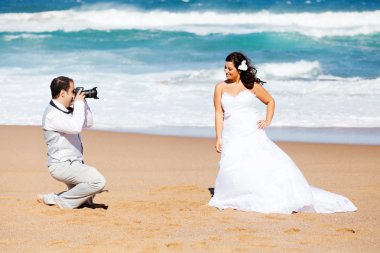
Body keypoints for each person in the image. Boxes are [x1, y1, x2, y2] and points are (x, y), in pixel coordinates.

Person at [208, 52, 357, 214]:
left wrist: (267, 120)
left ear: (239, 69)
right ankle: (236, 194)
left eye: (229, 68)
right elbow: (218, 113)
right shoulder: (220, 87)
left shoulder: (252, 86)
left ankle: (260, 194)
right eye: (225, 68)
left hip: (251, 131)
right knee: (233, 164)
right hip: (232, 133)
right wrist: (218, 137)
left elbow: (270, 101)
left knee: (258, 162)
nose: (226, 71)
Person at [38, 76, 106, 209]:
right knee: (98, 181)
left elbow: (88, 123)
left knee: (87, 199)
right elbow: (76, 127)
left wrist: (84, 102)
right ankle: (60, 200)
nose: (74, 95)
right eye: (72, 91)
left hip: (74, 164)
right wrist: (79, 103)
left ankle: (52, 198)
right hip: (61, 166)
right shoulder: (52, 115)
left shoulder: (66, 108)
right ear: (63, 93)